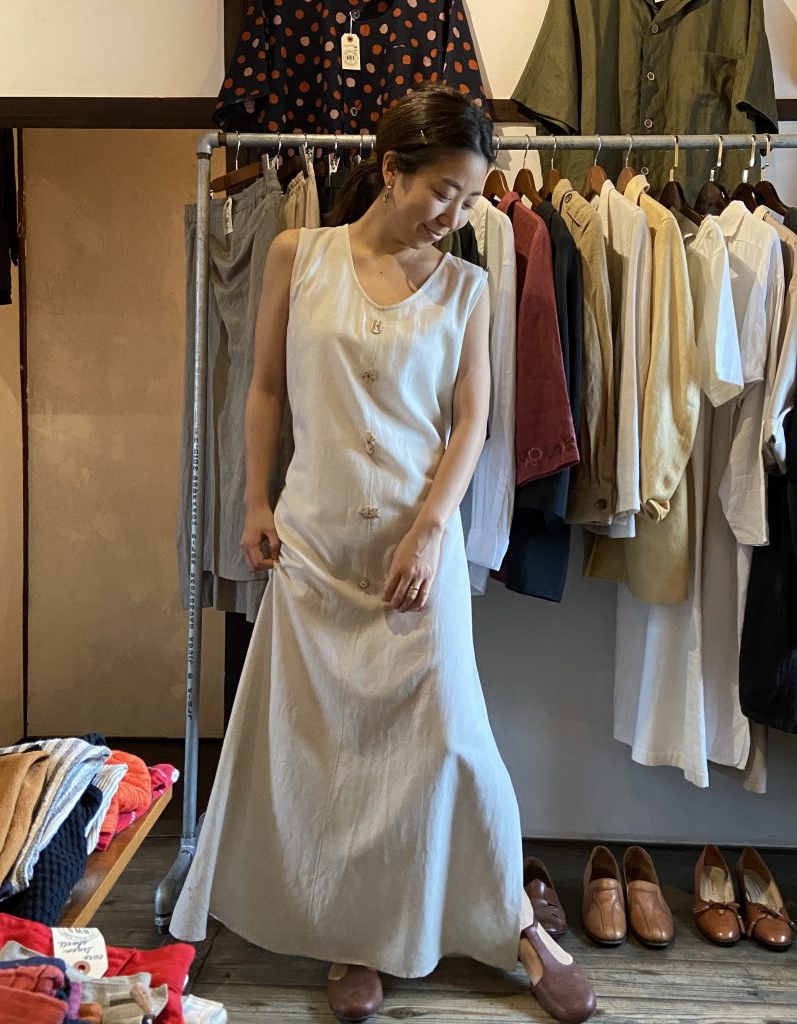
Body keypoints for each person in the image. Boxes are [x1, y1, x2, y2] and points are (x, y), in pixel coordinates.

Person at [169, 83, 595, 1024]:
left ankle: (516, 923)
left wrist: (433, 528)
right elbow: (264, 388)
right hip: (316, 547)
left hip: (416, 551)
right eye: (445, 190)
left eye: (471, 197)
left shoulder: (467, 287)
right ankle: (353, 936)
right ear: (393, 169)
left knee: (456, 743)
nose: (458, 213)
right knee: (331, 755)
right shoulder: (297, 254)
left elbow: (473, 422)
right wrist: (253, 499)